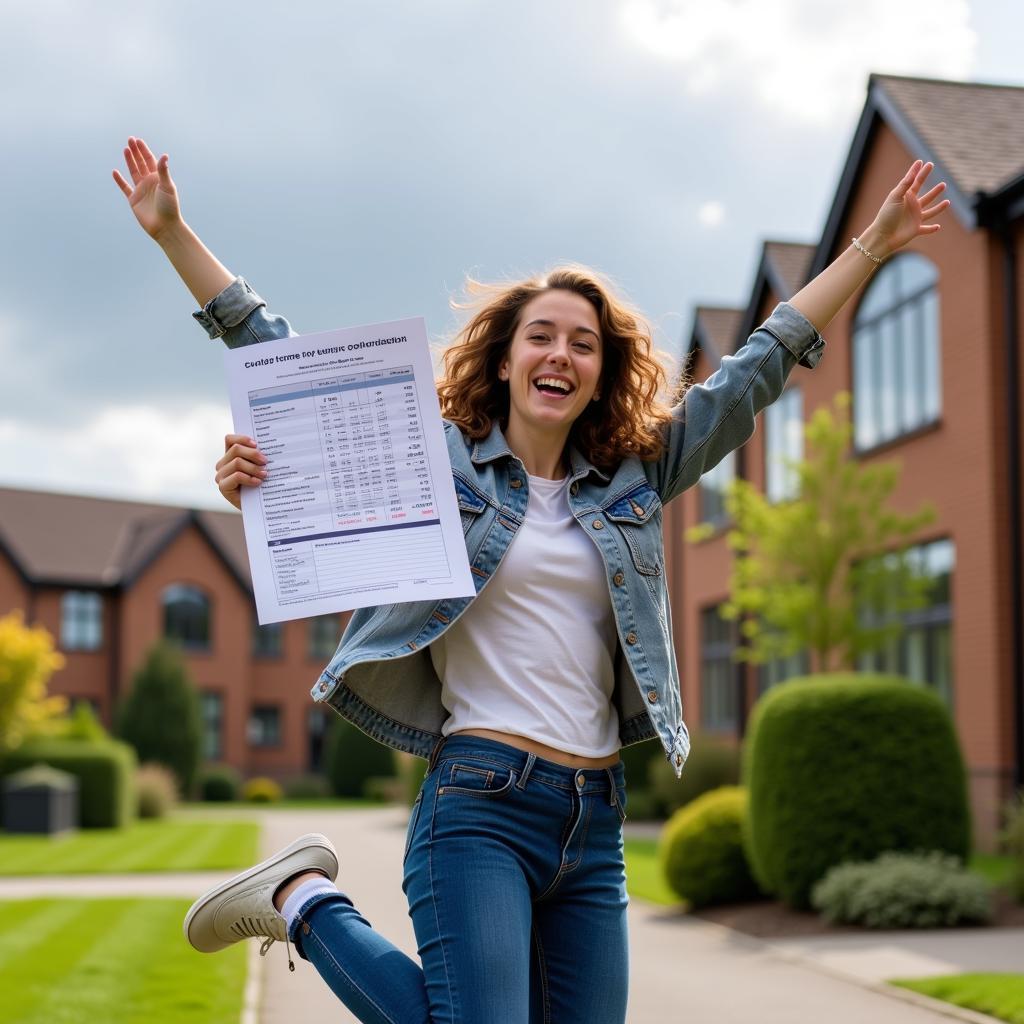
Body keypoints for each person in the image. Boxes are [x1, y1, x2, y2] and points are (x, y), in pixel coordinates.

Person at [113, 136, 948, 1024]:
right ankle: (303, 905)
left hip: (595, 819)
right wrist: (174, 237)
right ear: (505, 360)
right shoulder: (440, 464)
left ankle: (302, 903)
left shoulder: (638, 474)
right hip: (478, 802)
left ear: (601, 374)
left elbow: (757, 368)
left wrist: (873, 244)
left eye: (583, 344)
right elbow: (276, 352)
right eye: (540, 336)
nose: (561, 353)